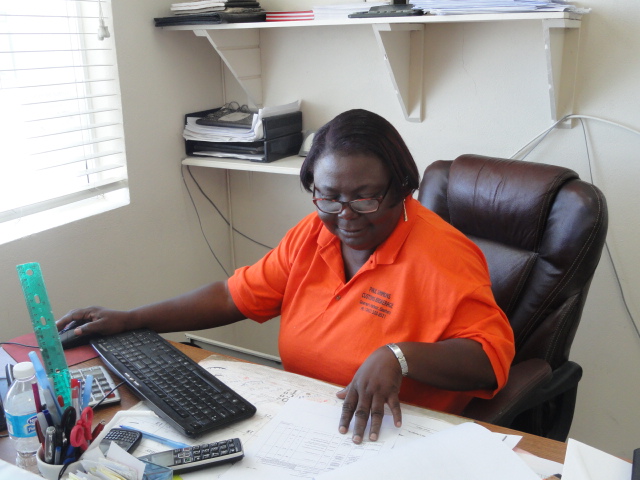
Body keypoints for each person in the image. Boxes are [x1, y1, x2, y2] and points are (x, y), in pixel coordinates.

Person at [57, 109, 515, 445]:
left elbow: (489, 359)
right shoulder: (315, 233)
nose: (345, 215)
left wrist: (397, 356)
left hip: (396, 432)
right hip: (304, 420)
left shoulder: (444, 255)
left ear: (400, 188)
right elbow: (233, 296)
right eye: (328, 196)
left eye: (365, 197)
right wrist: (133, 318)